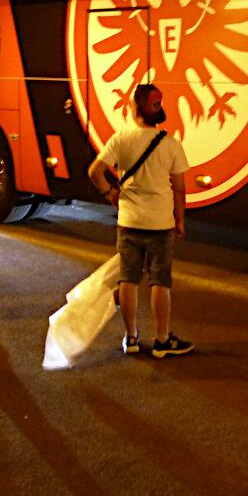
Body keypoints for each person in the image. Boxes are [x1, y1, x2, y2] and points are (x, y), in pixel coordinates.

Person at [87, 83, 193, 358]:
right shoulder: (170, 144)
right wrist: (179, 220)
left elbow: (95, 172)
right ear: (153, 110)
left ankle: (131, 338)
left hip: (129, 220)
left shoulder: (121, 139)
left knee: (128, 280)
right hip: (160, 223)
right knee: (160, 281)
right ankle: (161, 340)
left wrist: (110, 192)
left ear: (134, 108)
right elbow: (179, 188)